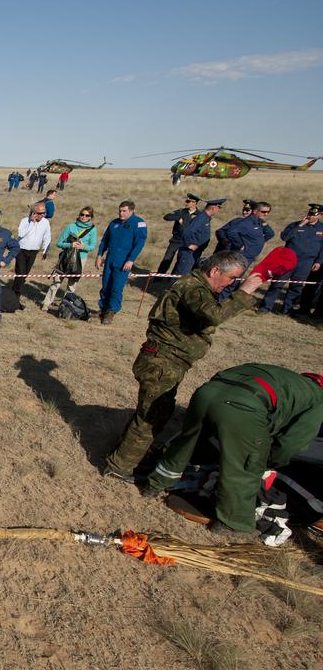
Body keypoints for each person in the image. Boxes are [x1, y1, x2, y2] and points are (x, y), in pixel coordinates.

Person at [101, 251, 261, 481]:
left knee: (153, 412)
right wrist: (243, 294)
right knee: (151, 417)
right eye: (231, 278)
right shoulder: (192, 288)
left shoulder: (197, 287)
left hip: (167, 361)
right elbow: (212, 316)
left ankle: (124, 455)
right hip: (163, 362)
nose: (231, 284)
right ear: (215, 271)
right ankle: (120, 467)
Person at [143, 365, 323, 539]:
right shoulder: (319, 398)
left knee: (185, 444)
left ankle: (154, 484)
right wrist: (272, 461)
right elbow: (292, 442)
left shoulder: (285, 378)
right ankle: (233, 522)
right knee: (245, 466)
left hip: (205, 394)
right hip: (243, 406)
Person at [261, 203, 323, 315]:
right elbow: (285, 237)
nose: (310, 216)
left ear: (320, 216)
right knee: (277, 283)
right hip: (289, 259)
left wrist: (319, 261)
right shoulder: (295, 225)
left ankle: (286, 310)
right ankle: (266, 307)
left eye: (314, 214)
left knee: (296, 286)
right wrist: (300, 225)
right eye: (310, 213)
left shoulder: (322, 229)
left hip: (307, 262)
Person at [95, 200, 147, 324]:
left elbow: (139, 243)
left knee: (116, 287)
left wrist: (131, 260)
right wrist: (99, 255)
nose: (121, 213)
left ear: (131, 211)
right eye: (120, 210)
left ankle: (111, 311)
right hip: (110, 259)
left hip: (123, 261)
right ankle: (103, 308)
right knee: (106, 285)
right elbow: (105, 240)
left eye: (124, 211)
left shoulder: (139, 223)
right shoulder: (114, 223)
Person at [42, 206, 98, 311]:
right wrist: (71, 245)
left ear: (91, 217)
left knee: (72, 285)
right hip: (66, 258)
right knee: (56, 282)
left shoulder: (92, 230)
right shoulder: (70, 226)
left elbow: (92, 246)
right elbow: (59, 243)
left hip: (80, 259)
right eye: (82, 214)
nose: (84, 217)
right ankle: (46, 304)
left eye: (87, 215)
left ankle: (65, 307)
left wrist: (83, 247)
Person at [173, 198, 225, 275]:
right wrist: (189, 244)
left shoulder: (205, 218)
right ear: (213, 208)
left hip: (195, 252)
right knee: (181, 275)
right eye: (219, 207)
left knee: (186, 274)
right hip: (189, 252)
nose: (219, 210)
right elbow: (187, 231)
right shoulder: (201, 218)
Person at [11, 203, 51, 303]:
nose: (42, 215)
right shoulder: (25, 221)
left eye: (44, 213)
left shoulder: (45, 222)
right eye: (40, 213)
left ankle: (14, 292)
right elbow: (21, 234)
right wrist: (31, 223)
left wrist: (45, 250)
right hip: (21, 250)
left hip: (34, 251)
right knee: (20, 273)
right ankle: (15, 297)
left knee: (24, 275)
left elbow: (47, 236)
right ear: (34, 212)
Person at [158, 193, 201, 274]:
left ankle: (172, 278)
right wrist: (178, 218)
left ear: (194, 203)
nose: (186, 203)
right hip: (176, 240)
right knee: (167, 258)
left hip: (187, 242)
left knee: (181, 260)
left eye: (188, 201)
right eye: (186, 201)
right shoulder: (181, 212)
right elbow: (167, 216)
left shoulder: (199, 215)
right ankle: (158, 276)